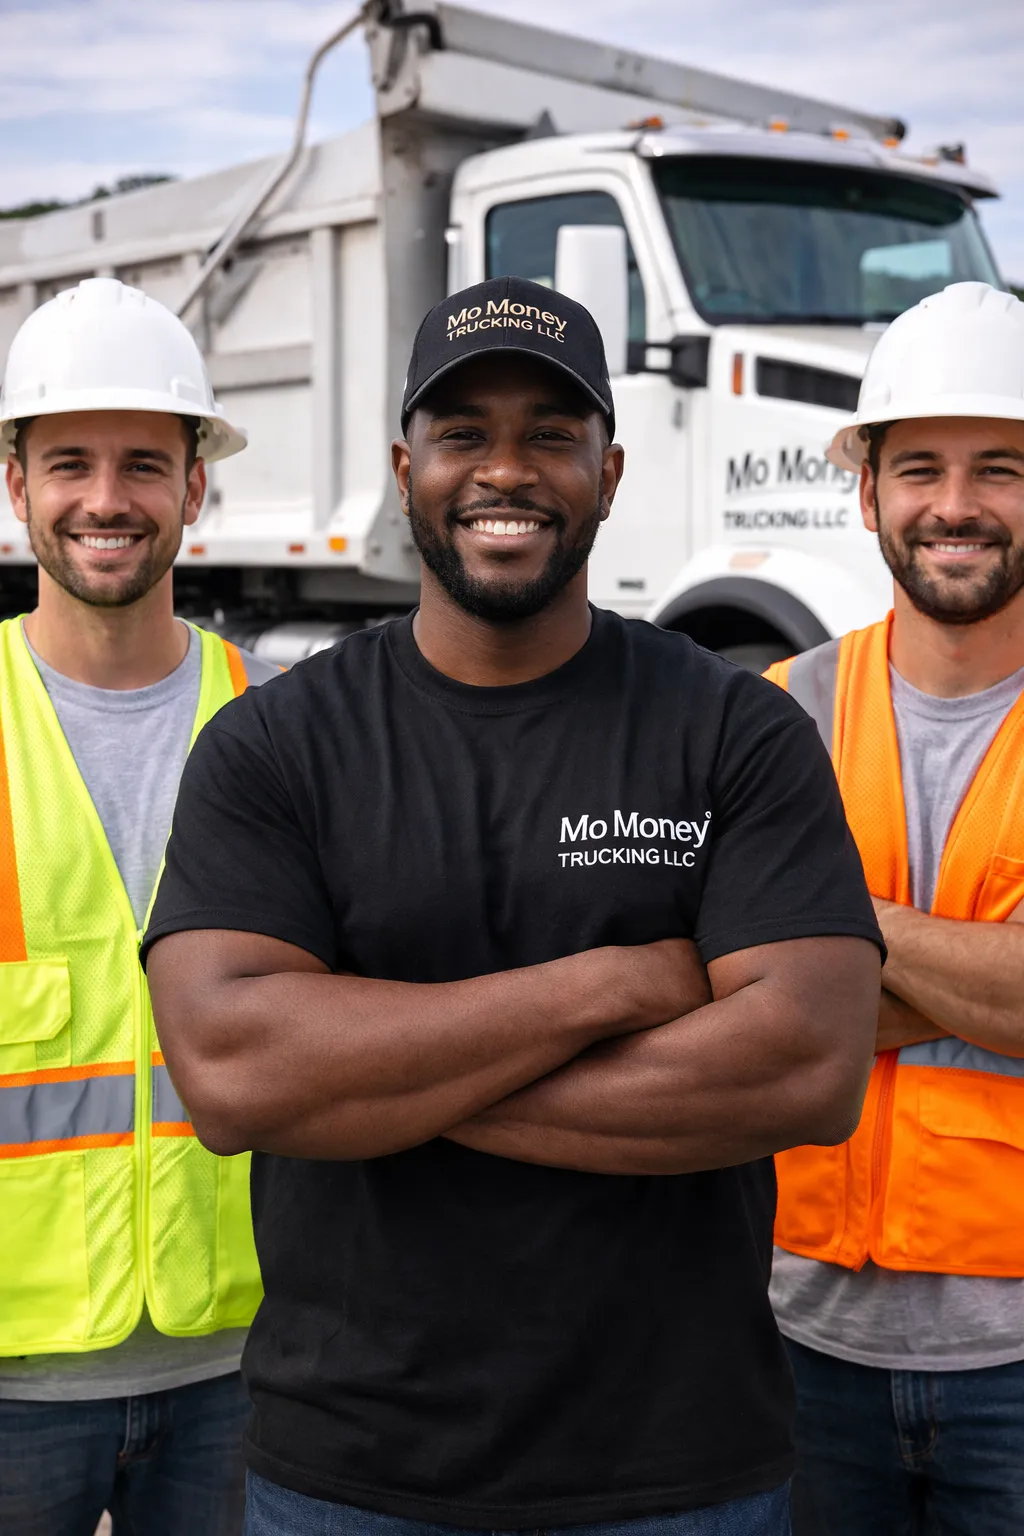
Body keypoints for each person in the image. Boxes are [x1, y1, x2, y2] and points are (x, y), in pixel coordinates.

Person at [143, 275, 883, 1536]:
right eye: (462, 433)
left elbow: (806, 1069)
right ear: (405, 469)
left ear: (609, 471)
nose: (505, 470)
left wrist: (381, 1084)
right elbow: (235, 1075)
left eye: (550, 433)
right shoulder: (278, 744)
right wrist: (607, 985)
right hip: (350, 1471)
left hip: (678, 1469)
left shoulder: (732, 729)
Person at [0, 278, 279, 1536]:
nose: (106, 499)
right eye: (70, 463)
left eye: (144, 466)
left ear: (195, 488)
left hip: (245, 1359)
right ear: (17, 485)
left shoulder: (284, 724)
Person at [765, 281, 1024, 1535]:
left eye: (999, 469)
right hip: (796, 1336)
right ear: (865, 492)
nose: (955, 505)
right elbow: (728, 1000)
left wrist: (836, 930)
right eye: (919, 467)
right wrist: (984, 971)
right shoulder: (777, 714)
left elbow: (790, 986)